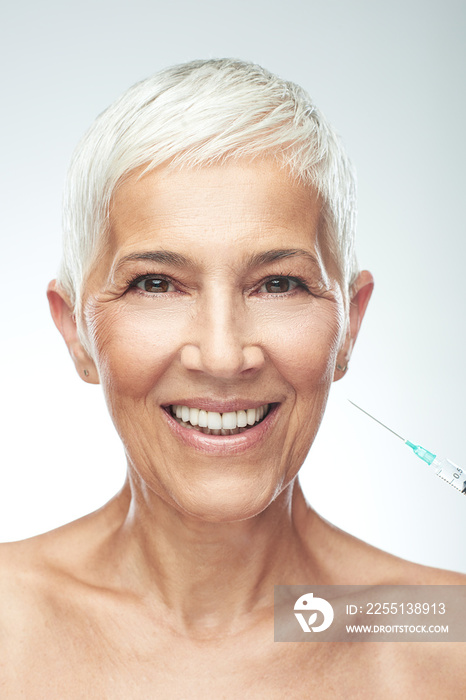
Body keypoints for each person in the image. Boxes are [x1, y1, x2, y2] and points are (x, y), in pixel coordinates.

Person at [1, 58, 464, 697]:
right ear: (76, 330)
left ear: (349, 326)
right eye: (156, 284)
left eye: (278, 283)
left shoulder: (443, 634)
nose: (222, 356)